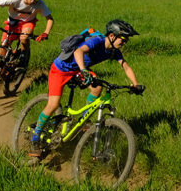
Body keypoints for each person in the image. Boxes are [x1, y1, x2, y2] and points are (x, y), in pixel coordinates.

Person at [30, 19, 141, 155]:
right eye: (123, 39)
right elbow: (78, 51)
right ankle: (35, 137)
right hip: (60, 70)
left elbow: (126, 66)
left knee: (97, 88)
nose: (124, 43)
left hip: (78, 70)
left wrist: (135, 84)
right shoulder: (97, 41)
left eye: (126, 41)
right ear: (112, 36)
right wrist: (84, 70)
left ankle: (83, 121)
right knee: (53, 104)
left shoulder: (114, 51)